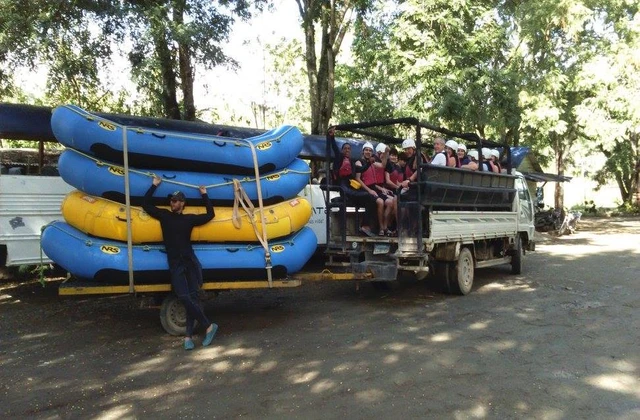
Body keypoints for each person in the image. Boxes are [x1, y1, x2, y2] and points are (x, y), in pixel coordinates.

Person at [142, 177, 218, 350]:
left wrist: (204, 195)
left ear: (183, 203)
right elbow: (145, 204)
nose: (172, 202)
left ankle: (188, 337)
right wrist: (154, 185)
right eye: (171, 200)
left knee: (192, 297)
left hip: (189, 261)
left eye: (176, 200)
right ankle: (208, 325)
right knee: (183, 297)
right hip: (175, 263)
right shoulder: (164, 215)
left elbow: (210, 215)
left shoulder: (189, 219)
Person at [328, 127, 378, 237]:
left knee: (371, 198)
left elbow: (360, 170)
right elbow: (334, 148)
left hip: (351, 187)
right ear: (342, 150)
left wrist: (369, 163)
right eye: (345, 148)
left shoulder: (351, 162)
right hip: (344, 188)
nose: (347, 150)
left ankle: (365, 226)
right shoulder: (339, 158)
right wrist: (332, 136)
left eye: (349, 149)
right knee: (368, 196)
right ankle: (364, 226)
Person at [356, 142, 391, 236]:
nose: (368, 152)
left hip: (373, 188)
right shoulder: (359, 162)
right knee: (380, 202)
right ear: (363, 151)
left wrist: (386, 153)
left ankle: (385, 226)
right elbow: (358, 179)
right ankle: (380, 228)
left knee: (390, 202)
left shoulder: (372, 162)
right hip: (365, 189)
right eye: (366, 150)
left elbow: (383, 165)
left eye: (370, 150)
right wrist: (369, 190)